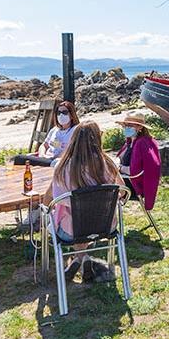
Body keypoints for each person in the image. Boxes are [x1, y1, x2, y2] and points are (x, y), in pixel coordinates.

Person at [47, 120, 123, 282]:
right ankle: (81, 258)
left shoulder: (62, 167)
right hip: (106, 225)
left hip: (71, 231)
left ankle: (79, 258)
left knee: (69, 219)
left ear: (73, 140)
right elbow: (122, 191)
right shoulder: (108, 164)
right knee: (83, 221)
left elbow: (54, 199)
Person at [116, 111, 162, 212]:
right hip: (125, 179)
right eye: (125, 125)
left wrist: (118, 169)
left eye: (130, 125)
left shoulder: (143, 142)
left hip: (135, 185)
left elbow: (139, 171)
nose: (126, 128)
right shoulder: (130, 142)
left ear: (140, 127)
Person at [14, 99, 80, 167]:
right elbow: (44, 145)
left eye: (64, 112)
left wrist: (54, 158)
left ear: (72, 115)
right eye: (58, 113)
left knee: (19, 158)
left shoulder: (75, 130)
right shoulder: (54, 130)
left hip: (57, 161)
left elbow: (71, 151)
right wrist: (43, 155)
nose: (61, 115)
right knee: (18, 160)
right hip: (45, 158)